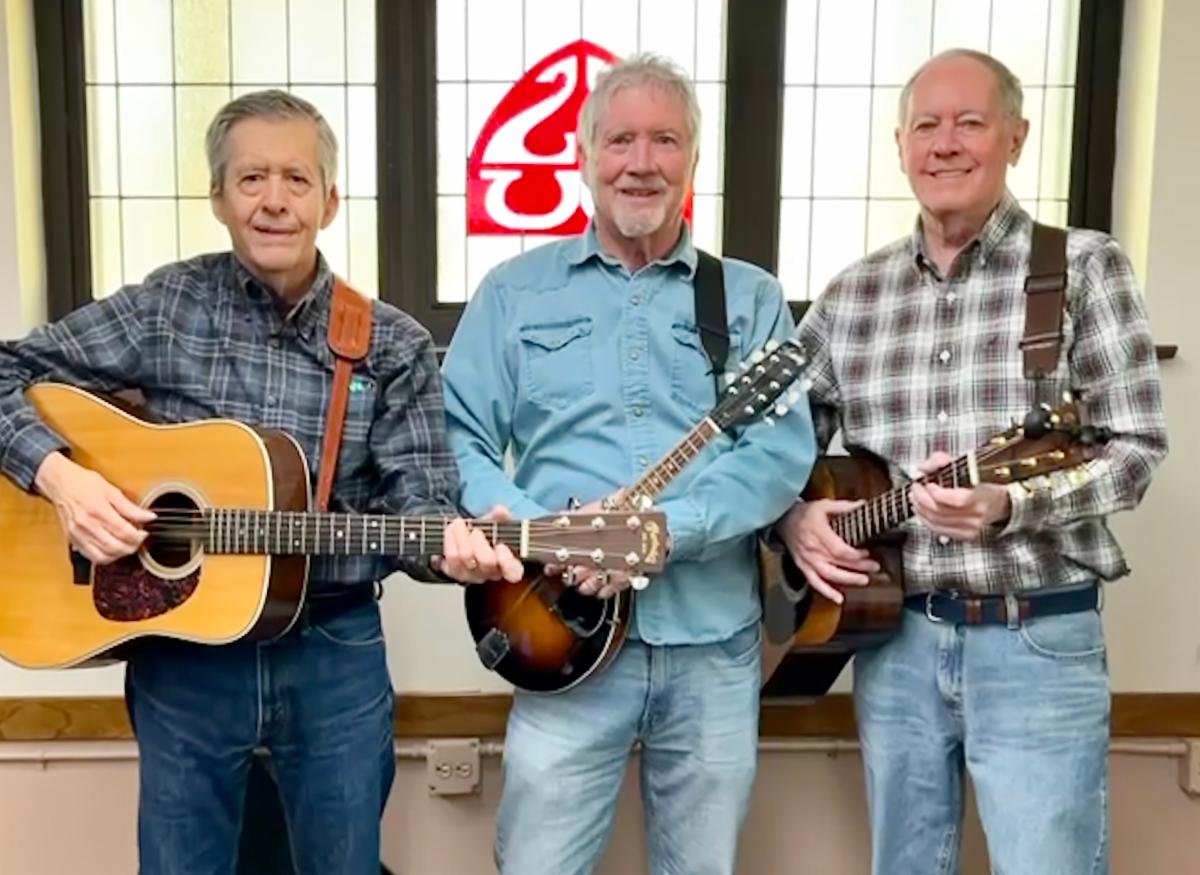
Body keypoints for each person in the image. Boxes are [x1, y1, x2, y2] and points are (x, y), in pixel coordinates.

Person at [0, 89, 511, 874]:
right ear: (218, 197)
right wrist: (63, 479)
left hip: (332, 651)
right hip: (184, 658)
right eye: (251, 178)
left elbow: (420, 508)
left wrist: (455, 550)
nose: (275, 200)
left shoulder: (390, 343)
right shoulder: (166, 307)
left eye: (297, 179)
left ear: (329, 202)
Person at [776, 49, 1168, 875]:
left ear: (1016, 137)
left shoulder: (1082, 267)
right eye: (926, 125)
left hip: (1038, 636)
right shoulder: (853, 295)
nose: (945, 143)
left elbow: (1135, 449)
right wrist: (794, 515)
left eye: (970, 123)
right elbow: (773, 444)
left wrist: (1012, 505)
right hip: (895, 641)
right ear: (901, 145)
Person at [440, 54, 817, 875]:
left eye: (665, 140)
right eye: (619, 141)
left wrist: (662, 530)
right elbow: (459, 436)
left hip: (711, 644)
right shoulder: (514, 292)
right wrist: (545, 534)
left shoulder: (750, 298)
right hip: (557, 636)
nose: (641, 162)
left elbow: (779, 452)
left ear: (693, 159)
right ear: (583, 156)